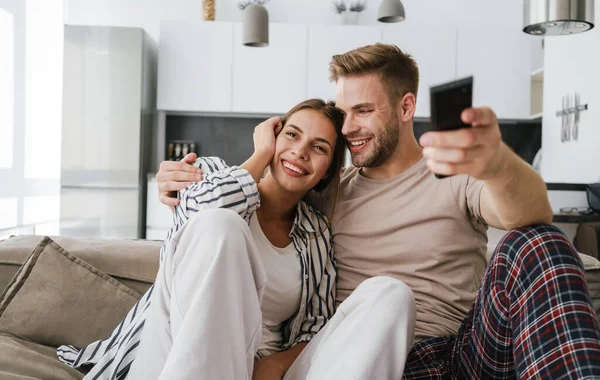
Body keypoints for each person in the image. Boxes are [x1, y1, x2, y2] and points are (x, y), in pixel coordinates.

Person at [158, 43, 600, 379]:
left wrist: (498, 163)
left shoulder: (452, 174)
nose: (347, 128)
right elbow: (257, 200)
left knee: (538, 239)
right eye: (342, 112)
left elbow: (531, 211)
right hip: (362, 357)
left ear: (406, 107)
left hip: (462, 350)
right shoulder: (326, 192)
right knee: (386, 299)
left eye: (364, 111)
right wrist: (180, 179)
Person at [56, 99, 417, 380]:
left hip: (262, 368)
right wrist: (260, 154)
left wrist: (276, 364)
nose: (301, 151)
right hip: (173, 352)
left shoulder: (317, 235)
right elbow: (199, 210)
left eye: (319, 148)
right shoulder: (214, 174)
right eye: (291, 135)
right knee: (222, 226)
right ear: (273, 136)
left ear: (326, 172)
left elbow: (315, 326)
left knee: (390, 293)